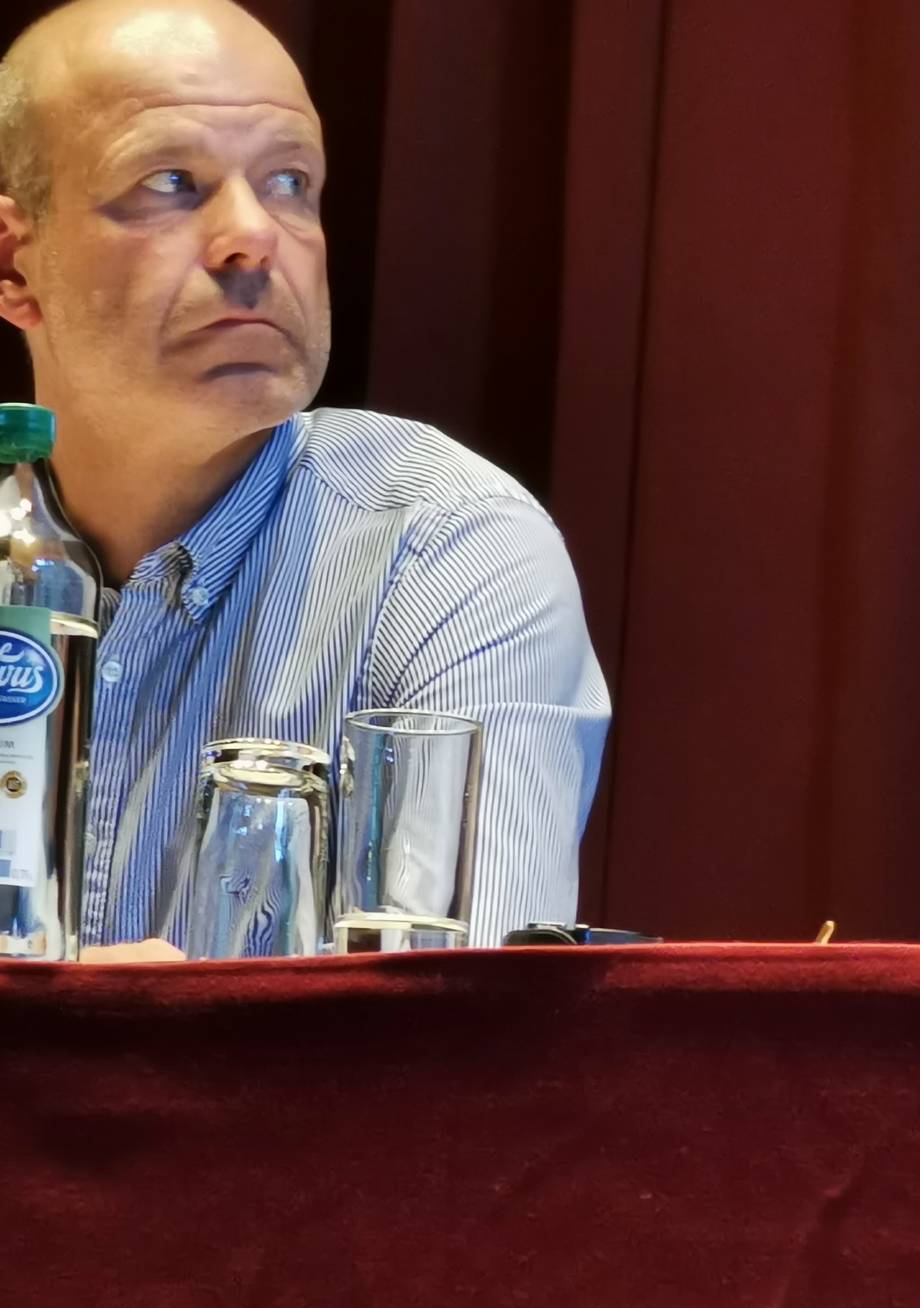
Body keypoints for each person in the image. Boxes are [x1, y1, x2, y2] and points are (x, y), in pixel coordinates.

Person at [0, 0, 610, 957]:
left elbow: (460, 1045)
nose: (253, 236)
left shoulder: (449, 549)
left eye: (290, 183)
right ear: (14, 266)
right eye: (171, 182)